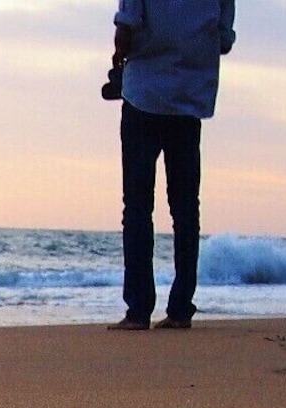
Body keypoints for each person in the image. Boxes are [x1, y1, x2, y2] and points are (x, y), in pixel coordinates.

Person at [106, 0, 236, 331]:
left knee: (137, 206)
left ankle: (138, 309)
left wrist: (120, 55)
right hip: (190, 95)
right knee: (185, 208)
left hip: (144, 92)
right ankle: (180, 308)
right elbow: (224, 38)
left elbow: (127, 25)